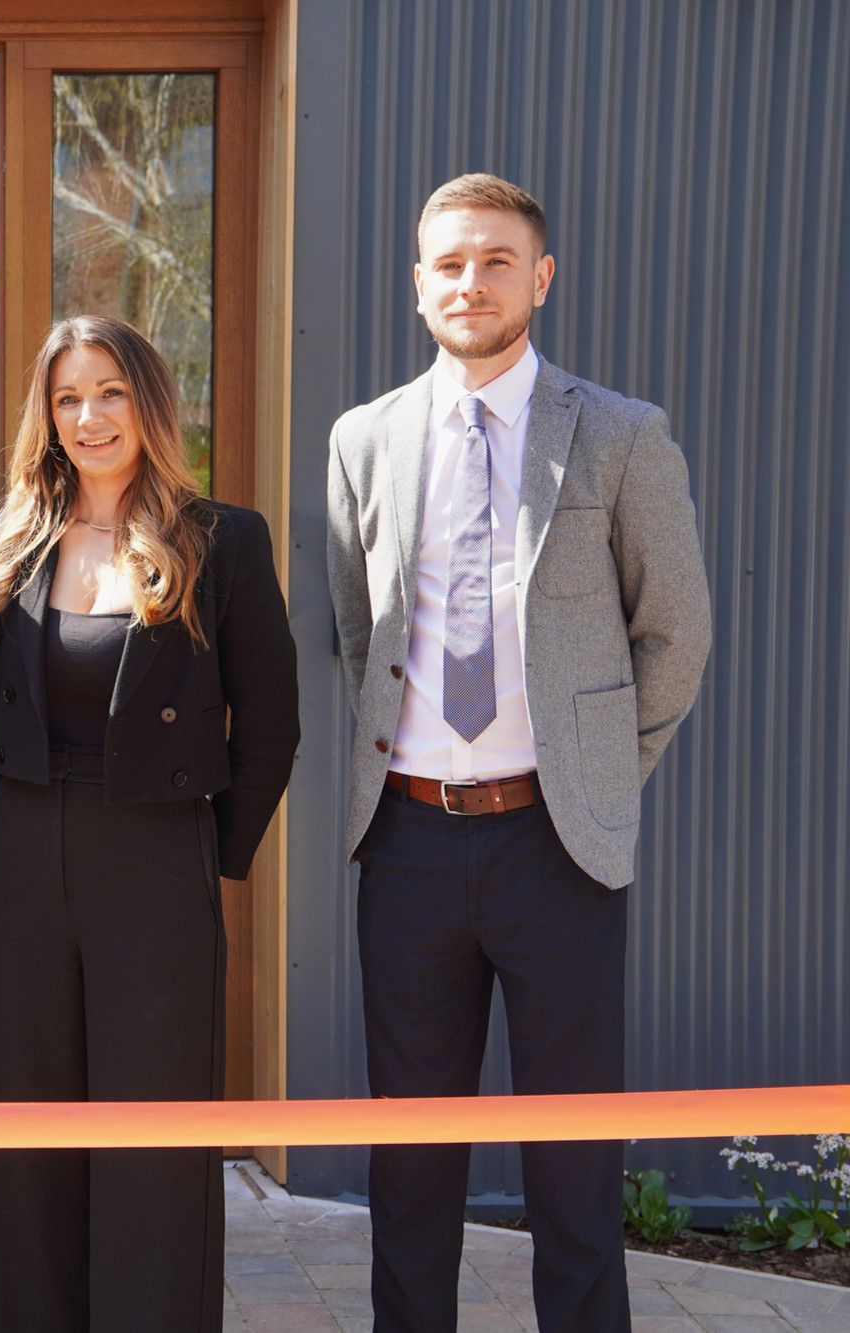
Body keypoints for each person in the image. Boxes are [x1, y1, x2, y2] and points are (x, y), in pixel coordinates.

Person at [325, 174, 713, 1332]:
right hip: (404, 844)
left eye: (495, 260)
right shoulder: (364, 440)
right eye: (447, 263)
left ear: (538, 278)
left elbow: (674, 632)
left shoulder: (618, 433)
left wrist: (591, 780)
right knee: (408, 1164)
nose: (469, 281)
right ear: (415, 285)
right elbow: (358, 630)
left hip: (558, 846)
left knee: (574, 1167)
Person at [0, 315, 299, 1330]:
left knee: (151, 1138)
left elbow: (272, 722)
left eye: (108, 392)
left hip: (156, 855)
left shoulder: (221, 538)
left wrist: (210, 853)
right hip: (23, 853)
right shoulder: (12, 535)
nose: (87, 416)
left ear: (148, 403)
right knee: (29, 1131)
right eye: (66, 398)